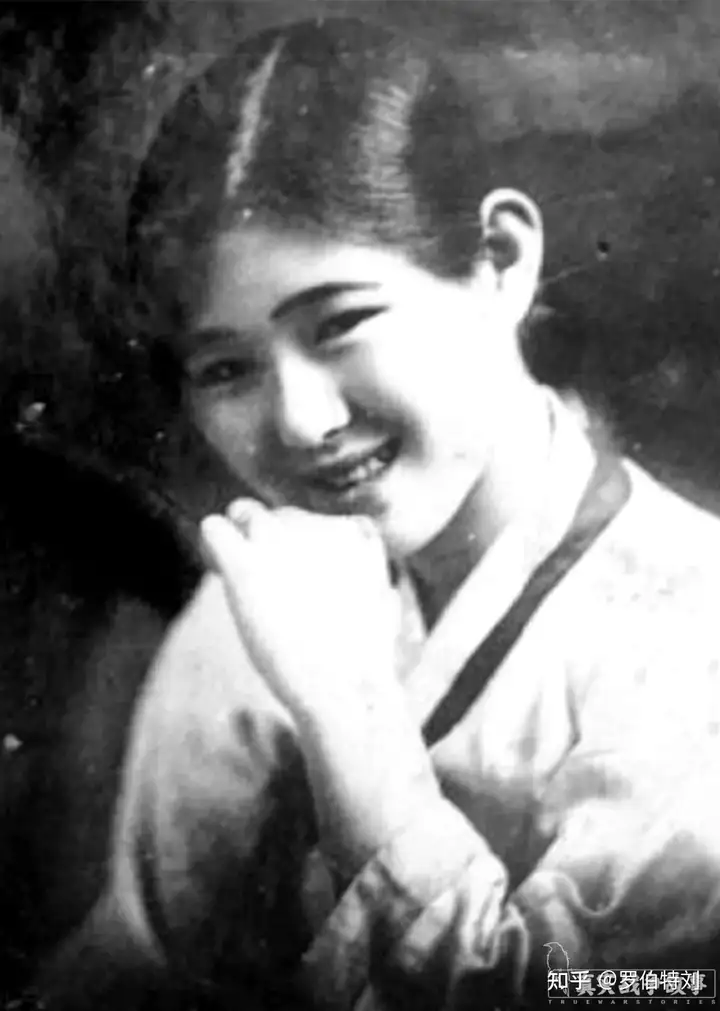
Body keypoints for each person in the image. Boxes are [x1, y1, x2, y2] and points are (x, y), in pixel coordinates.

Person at [41, 15, 720, 1010]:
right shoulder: (251, 610)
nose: (302, 421)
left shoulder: (695, 636)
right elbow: (139, 970)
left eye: (343, 322)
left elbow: (645, 994)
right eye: (225, 369)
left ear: (501, 258)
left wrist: (350, 717)